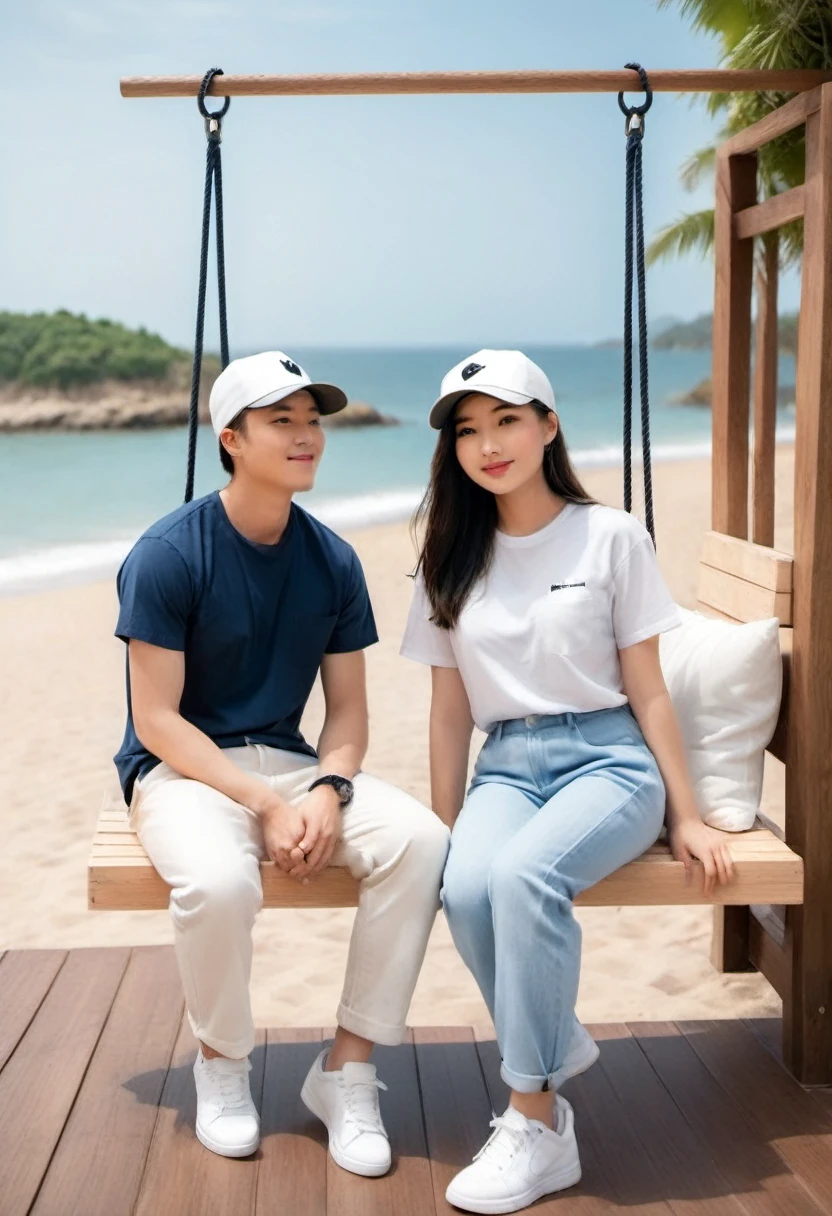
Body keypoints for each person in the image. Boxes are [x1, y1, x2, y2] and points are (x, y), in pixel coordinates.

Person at [400, 349, 735, 1214]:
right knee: (469, 887)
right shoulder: (446, 554)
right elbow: (448, 713)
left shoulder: (612, 535)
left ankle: (537, 1124)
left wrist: (688, 814)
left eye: (507, 420)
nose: (488, 444)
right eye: (468, 431)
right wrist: (444, 830)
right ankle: (553, 1041)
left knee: (523, 878)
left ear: (549, 425)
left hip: (609, 761)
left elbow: (649, 686)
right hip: (504, 766)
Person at [114, 350, 449, 1171]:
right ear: (232, 438)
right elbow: (155, 721)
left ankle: (348, 1068)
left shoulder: (332, 560)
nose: (306, 437)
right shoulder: (169, 553)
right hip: (183, 772)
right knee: (221, 883)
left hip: (294, 762)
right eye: (281, 422)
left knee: (423, 841)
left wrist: (329, 789)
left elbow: (350, 712)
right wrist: (263, 806)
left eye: (312, 420)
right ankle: (224, 1066)